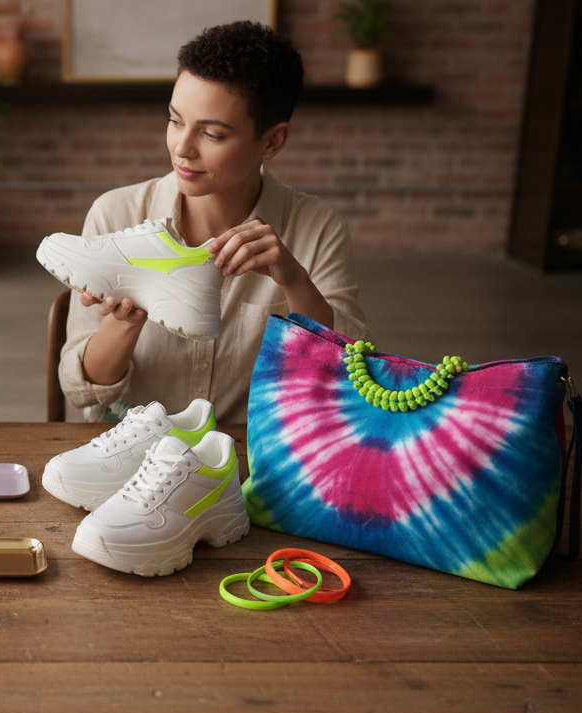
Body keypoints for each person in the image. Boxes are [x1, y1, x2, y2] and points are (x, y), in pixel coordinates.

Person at [59, 21, 370, 424]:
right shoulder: (115, 214)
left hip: (252, 459)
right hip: (133, 456)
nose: (181, 148)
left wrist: (294, 281)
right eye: (175, 121)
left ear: (272, 141)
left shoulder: (317, 227)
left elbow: (350, 375)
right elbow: (81, 391)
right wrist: (124, 323)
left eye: (211, 134)